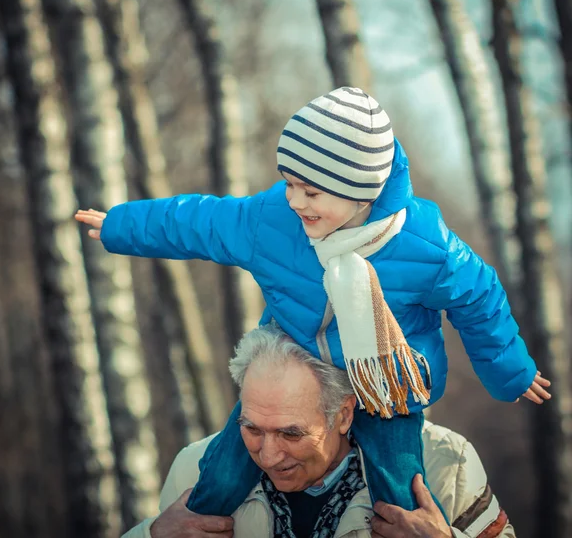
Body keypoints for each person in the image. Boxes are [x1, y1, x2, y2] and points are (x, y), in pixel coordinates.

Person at [76, 86, 550, 517]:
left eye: (312, 191)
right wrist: (120, 225)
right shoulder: (272, 220)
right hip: (294, 373)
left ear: (361, 192)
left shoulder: (424, 245)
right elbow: (198, 223)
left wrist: (510, 371)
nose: (295, 200)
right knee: (220, 478)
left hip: (385, 382)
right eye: (289, 182)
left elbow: (479, 296)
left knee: (402, 496)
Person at [122, 323, 516, 538]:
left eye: (290, 433)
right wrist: (152, 535)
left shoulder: (446, 463)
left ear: (343, 414)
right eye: (252, 428)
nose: (269, 454)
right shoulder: (195, 469)